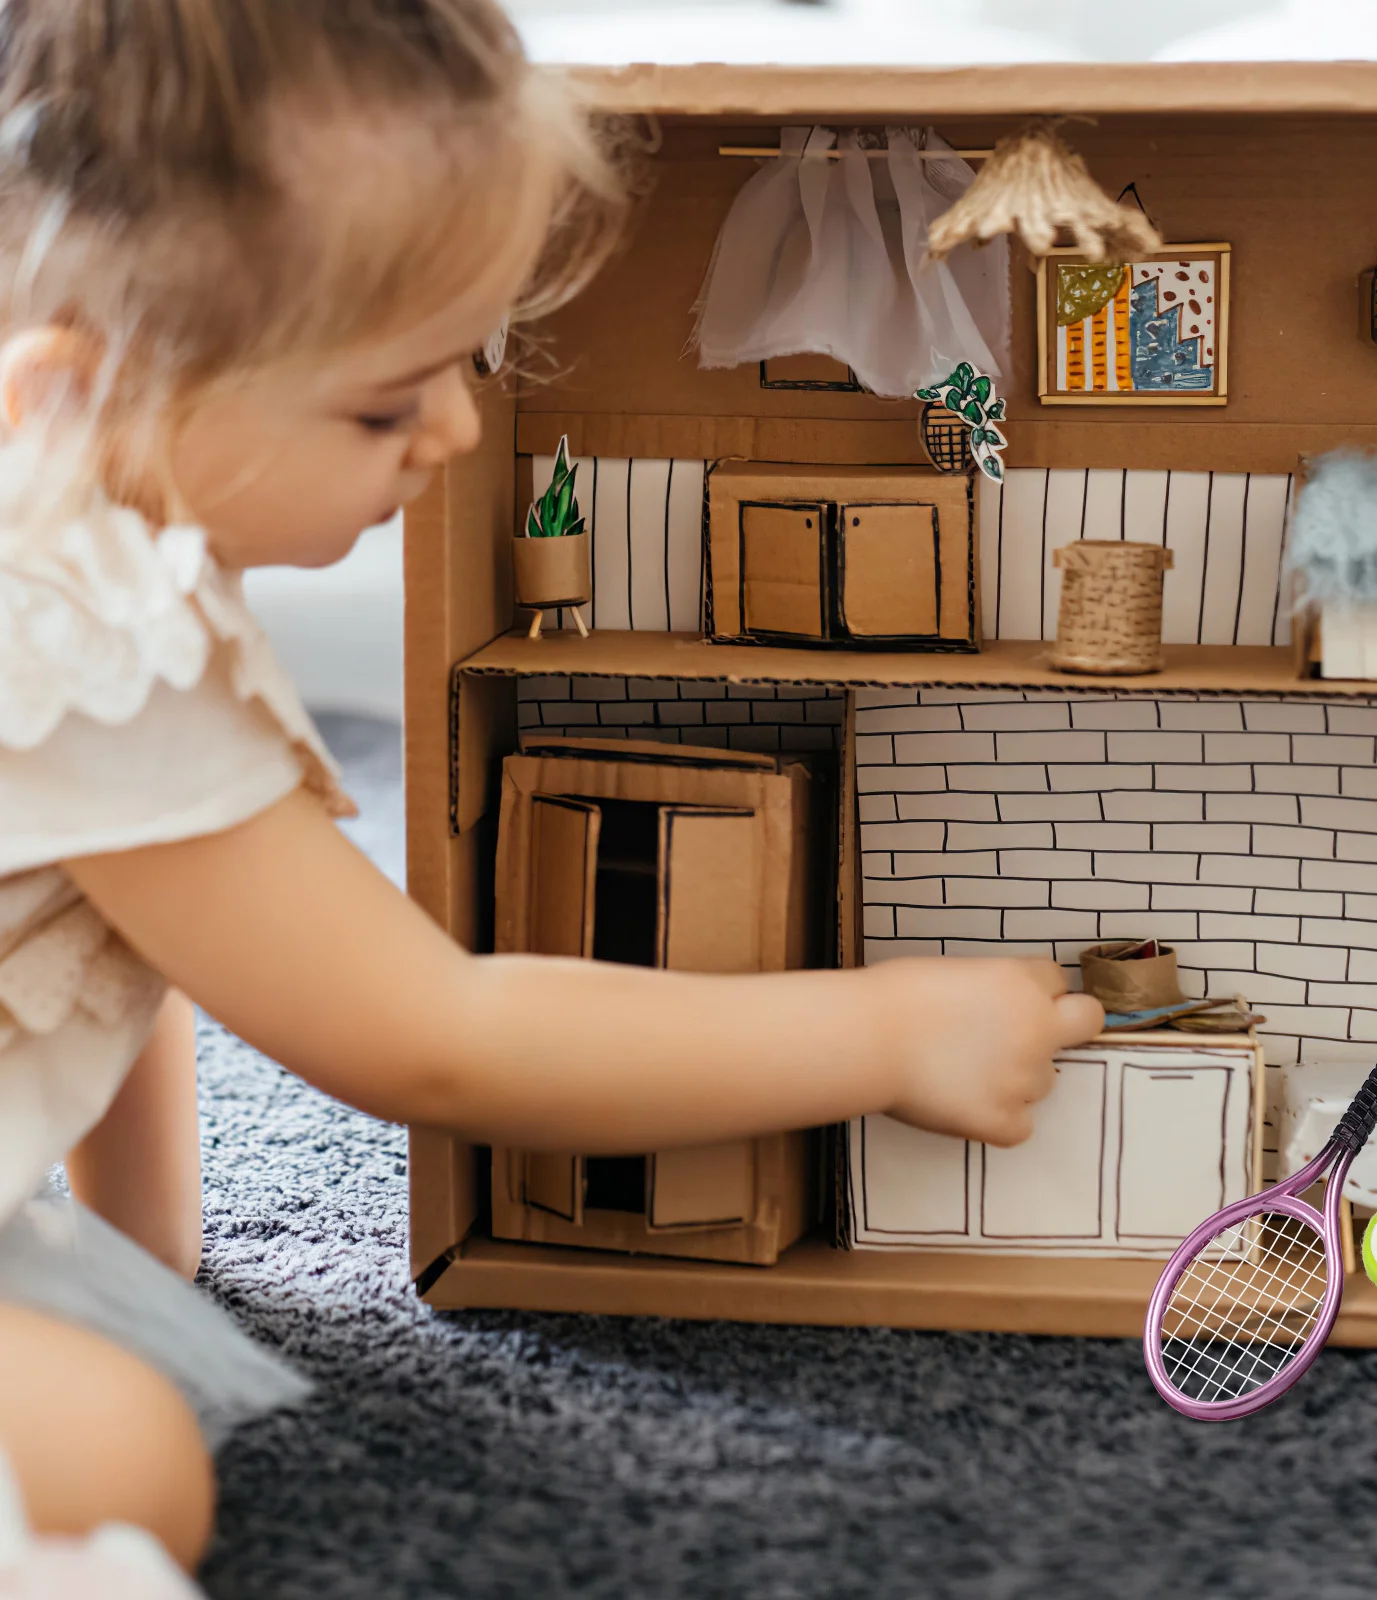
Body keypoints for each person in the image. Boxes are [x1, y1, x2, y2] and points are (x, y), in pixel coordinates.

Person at [0, 0, 1105, 1575]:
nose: (456, 431)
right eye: (386, 402)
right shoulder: (84, 635)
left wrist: (141, 1258)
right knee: (125, 1474)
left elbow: (143, 930)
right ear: (77, 393)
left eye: (474, 358)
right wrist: (889, 1030)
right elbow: (433, 1038)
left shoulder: (69, 528)